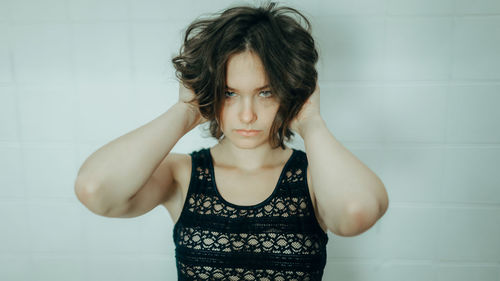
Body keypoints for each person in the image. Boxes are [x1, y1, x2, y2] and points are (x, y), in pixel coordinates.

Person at [74, 2, 389, 280]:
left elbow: (356, 213)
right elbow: (95, 190)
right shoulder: (181, 175)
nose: (247, 115)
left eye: (265, 92)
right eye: (229, 93)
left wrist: (312, 124)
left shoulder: (315, 177)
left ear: (290, 91)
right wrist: (184, 113)